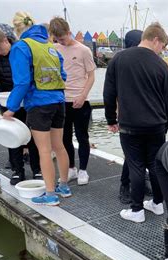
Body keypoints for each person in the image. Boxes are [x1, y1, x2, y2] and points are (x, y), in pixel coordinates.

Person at [103, 22, 168, 222]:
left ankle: (137, 211)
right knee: (155, 166)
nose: (162, 51)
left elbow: (109, 93)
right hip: (156, 125)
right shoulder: (161, 65)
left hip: (130, 125)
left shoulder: (119, 59)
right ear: (155, 39)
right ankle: (158, 204)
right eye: (163, 46)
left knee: (135, 165)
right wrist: (166, 123)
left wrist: (111, 119)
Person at [3, 12, 70, 206]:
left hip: (39, 103)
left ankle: (50, 194)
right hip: (58, 101)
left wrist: (11, 108)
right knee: (59, 146)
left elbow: (22, 82)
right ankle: (63, 186)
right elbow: (63, 75)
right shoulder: (51, 47)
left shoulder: (21, 47)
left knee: (44, 150)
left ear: (17, 30)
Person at [49, 17, 96, 185]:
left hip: (80, 100)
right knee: (64, 138)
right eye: (58, 39)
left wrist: (83, 96)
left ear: (69, 32)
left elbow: (91, 76)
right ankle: (71, 168)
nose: (62, 41)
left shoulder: (84, 50)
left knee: (82, 136)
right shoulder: (53, 49)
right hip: (62, 100)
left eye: (63, 38)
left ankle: (83, 170)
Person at [0, 24, 41, 185]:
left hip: (26, 99)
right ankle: (17, 170)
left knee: (32, 136)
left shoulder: (20, 50)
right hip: (5, 98)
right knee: (11, 137)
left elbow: (28, 76)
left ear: (7, 41)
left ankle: (37, 169)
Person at [117, 29, 143, 204]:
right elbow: (114, 90)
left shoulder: (146, 60)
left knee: (145, 154)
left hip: (146, 114)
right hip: (128, 115)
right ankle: (124, 185)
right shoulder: (122, 61)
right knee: (131, 155)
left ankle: (139, 183)